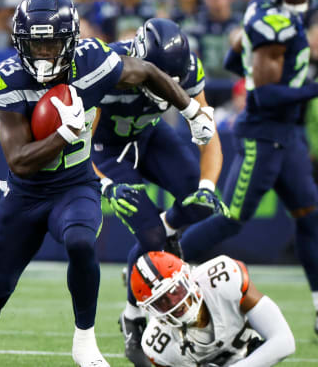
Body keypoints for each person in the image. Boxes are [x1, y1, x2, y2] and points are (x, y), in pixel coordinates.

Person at [0, 0, 216, 367]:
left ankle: (85, 341)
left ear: (71, 40)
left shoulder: (92, 60)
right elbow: (20, 161)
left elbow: (148, 71)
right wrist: (63, 134)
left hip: (75, 185)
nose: (44, 53)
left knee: (80, 241)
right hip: (25, 193)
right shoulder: (4, 79)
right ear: (19, 42)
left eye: (52, 43)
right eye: (35, 44)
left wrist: (191, 110)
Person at [179, 0, 318, 337]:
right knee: (230, 218)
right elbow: (264, 93)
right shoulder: (273, 22)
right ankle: (167, 270)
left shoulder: (266, 11)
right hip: (263, 135)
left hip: (287, 136)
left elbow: (233, 58)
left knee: (309, 216)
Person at [91, 18, 226, 367]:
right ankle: (132, 318)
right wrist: (106, 185)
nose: (166, 89)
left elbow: (209, 136)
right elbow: (77, 144)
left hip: (148, 137)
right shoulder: (106, 69)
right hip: (104, 149)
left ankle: (163, 238)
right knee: (150, 234)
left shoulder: (189, 69)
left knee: (200, 203)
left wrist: (209, 187)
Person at [130, 251, 295, 366]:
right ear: (151, 309)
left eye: (175, 290)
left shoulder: (223, 278)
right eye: (161, 302)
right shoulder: (159, 345)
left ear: (187, 277)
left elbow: (284, 341)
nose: (174, 303)